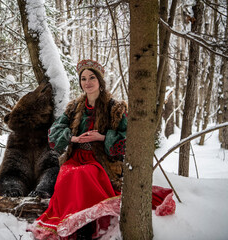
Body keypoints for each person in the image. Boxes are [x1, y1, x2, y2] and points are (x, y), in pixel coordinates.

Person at [27, 59, 175, 240]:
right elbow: (54, 131)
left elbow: (129, 138)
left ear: (100, 81)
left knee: (84, 174)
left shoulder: (115, 108)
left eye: (91, 78)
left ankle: (86, 227)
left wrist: (103, 137)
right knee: (68, 172)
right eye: (83, 79)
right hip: (76, 157)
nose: (87, 82)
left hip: (101, 160)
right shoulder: (74, 107)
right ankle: (74, 225)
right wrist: (72, 137)